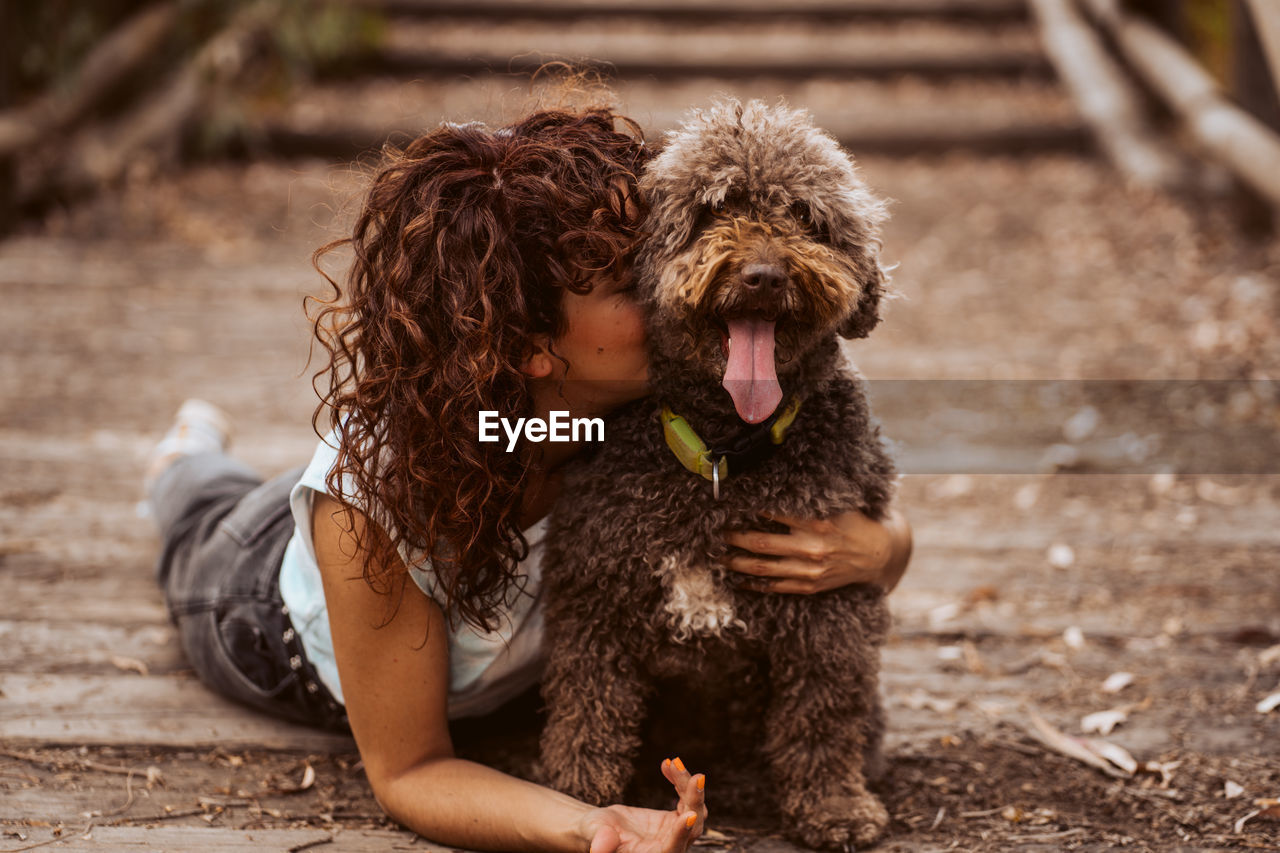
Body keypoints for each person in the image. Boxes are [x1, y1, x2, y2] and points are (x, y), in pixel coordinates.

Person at [144, 105, 913, 853]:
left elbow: (825, 482)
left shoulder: (626, 405)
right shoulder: (374, 504)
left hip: (459, 448)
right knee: (196, 504)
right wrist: (589, 824)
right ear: (531, 345)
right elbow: (411, 769)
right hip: (252, 600)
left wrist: (882, 550)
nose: (657, 288)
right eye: (624, 286)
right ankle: (184, 454)